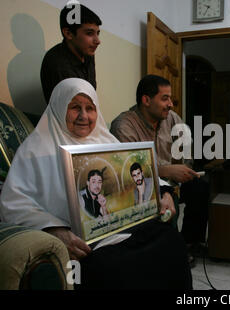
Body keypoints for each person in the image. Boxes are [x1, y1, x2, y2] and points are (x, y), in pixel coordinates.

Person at [0, 78, 192, 289]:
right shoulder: (34, 151)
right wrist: (55, 231)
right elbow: (14, 203)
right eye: (75, 107)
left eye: (90, 108)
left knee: (171, 242)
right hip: (87, 245)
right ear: (59, 107)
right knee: (114, 267)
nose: (84, 116)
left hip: (126, 229)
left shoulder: (105, 141)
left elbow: (140, 172)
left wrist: (164, 193)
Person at [110, 74, 209, 267]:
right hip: (143, 183)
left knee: (201, 187)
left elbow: (187, 148)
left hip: (173, 179)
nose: (171, 104)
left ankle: (188, 242)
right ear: (146, 100)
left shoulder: (171, 118)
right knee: (166, 198)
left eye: (170, 98)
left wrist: (184, 171)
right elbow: (129, 171)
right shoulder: (125, 125)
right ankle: (167, 250)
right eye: (165, 98)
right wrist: (165, 172)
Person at [40, 3, 101, 103]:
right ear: (68, 33)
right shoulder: (56, 62)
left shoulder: (88, 54)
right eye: (89, 33)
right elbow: (74, 108)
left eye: (97, 33)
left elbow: (90, 97)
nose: (98, 41)